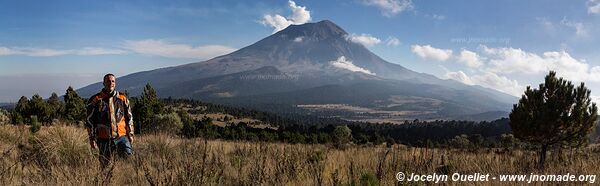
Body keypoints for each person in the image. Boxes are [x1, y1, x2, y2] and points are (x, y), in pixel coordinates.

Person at [86, 73, 134, 168]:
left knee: (128, 160)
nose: (110, 83)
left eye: (113, 81)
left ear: (115, 83)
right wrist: (92, 138)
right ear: (103, 83)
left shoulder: (122, 98)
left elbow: (129, 117)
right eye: (108, 81)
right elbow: (90, 121)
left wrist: (131, 133)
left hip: (121, 137)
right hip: (104, 139)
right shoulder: (95, 100)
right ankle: (106, 182)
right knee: (104, 166)